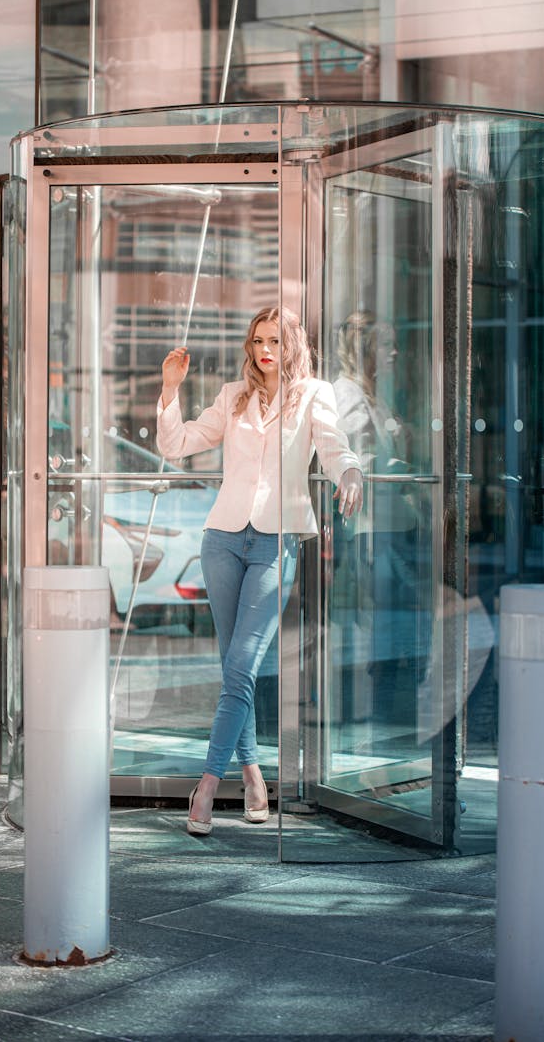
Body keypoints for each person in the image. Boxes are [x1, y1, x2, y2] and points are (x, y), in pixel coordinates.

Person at [157, 306, 363, 835]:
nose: (264, 350)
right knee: (235, 667)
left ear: (290, 344)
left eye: (273, 340)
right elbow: (176, 445)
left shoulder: (315, 394)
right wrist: (170, 389)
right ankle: (252, 775)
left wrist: (351, 473)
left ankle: (207, 785)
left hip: (276, 541)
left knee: (243, 663)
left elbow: (333, 447)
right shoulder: (234, 395)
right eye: (257, 341)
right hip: (222, 537)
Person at [332, 311, 425, 738]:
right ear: (364, 348)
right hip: (375, 528)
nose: (394, 352)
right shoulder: (348, 395)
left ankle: (392, 711)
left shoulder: (374, 395)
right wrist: (403, 468)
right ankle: (386, 715)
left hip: (394, 525)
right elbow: (355, 461)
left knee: (399, 622)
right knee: (388, 624)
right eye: (385, 343)